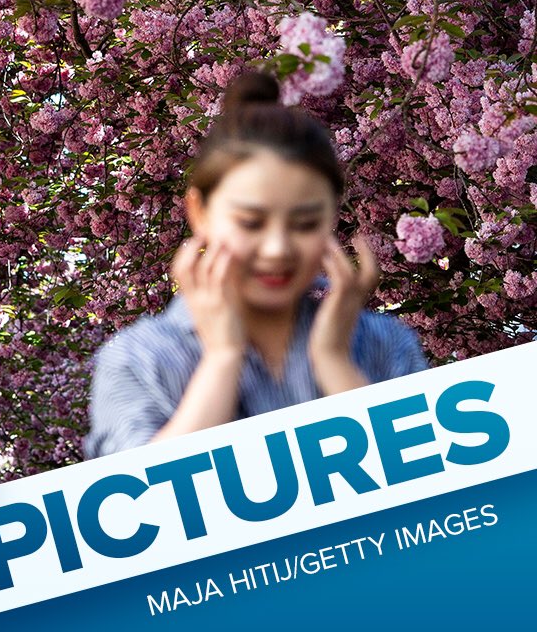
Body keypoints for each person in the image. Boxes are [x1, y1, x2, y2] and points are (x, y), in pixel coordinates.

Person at [84, 70, 427, 459]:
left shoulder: (387, 344)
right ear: (200, 213)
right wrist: (223, 358)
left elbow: (443, 490)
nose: (278, 249)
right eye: (251, 223)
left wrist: (334, 361)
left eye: (305, 223)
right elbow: (140, 502)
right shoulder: (138, 359)